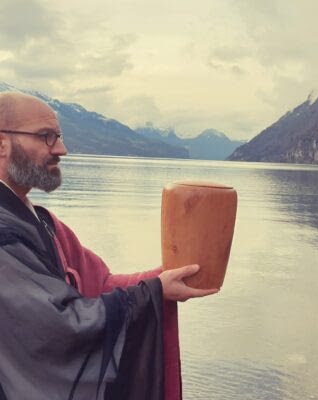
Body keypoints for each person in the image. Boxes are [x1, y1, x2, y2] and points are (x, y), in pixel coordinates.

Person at [0, 92, 218, 400]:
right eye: (46, 137)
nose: (62, 149)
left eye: (58, 137)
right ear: (1, 145)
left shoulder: (44, 221)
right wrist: (151, 293)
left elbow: (97, 284)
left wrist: (164, 278)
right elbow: (54, 327)